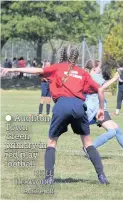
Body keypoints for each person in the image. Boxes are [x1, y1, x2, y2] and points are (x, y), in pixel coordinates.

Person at [2, 46, 109, 185]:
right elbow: (100, 89)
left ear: (62, 55)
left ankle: (49, 178)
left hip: (62, 106)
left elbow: (36, 71)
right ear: (76, 58)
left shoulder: (57, 67)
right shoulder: (82, 72)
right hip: (79, 107)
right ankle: (102, 177)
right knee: (88, 143)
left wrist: (12, 69)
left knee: (52, 142)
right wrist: (101, 109)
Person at [83, 59, 123, 159]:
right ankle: (89, 149)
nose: (100, 69)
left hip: (97, 107)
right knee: (112, 131)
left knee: (117, 129)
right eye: (99, 67)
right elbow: (102, 87)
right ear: (94, 68)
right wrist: (115, 78)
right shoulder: (93, 76)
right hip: (96, 108)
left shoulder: (88, 76)